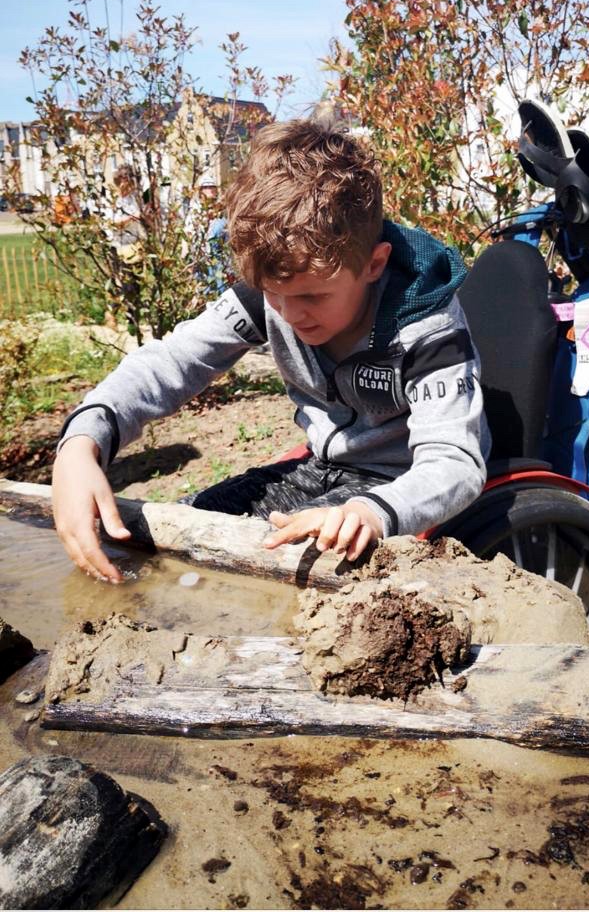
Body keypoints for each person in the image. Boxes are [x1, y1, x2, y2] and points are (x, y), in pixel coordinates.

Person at [52, 119, 490, 583]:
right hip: (320, 469)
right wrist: (83, 441)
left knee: (265, 582)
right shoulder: (272, 294)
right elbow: (173, 360)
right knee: (163, 548)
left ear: (374, 265)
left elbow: (453, 463)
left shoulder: (428, 325)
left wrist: (372, 512)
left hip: (397, 489)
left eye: (312, 297)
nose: (288, 314)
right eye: (272, 294)